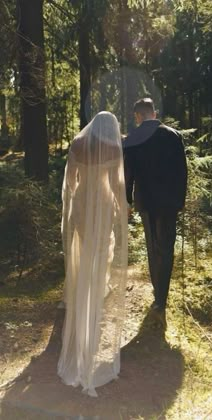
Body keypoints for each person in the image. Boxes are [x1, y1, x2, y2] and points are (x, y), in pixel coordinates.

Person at [58, 111, 128, 397]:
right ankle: (94, 299)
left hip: (81, 207)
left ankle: (81, 295)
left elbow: (70, 183)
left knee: (83, 254)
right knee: (101, 257)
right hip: (100, 205)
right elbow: (116, 185)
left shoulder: (77, 143)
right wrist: (123, 210)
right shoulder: (113, 147)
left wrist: (76, 198)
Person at [123, 98, 187, 329]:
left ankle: (158, 295)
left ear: (138, 115)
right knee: (167, 248)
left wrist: (127, 199)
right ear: (154, 112)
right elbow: (182, 171)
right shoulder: (174, 135)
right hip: (170, 203)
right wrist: (180, 201)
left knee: (153, 249)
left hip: (147, 202)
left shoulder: (133, 139)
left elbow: (128, 174)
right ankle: (162, 298)